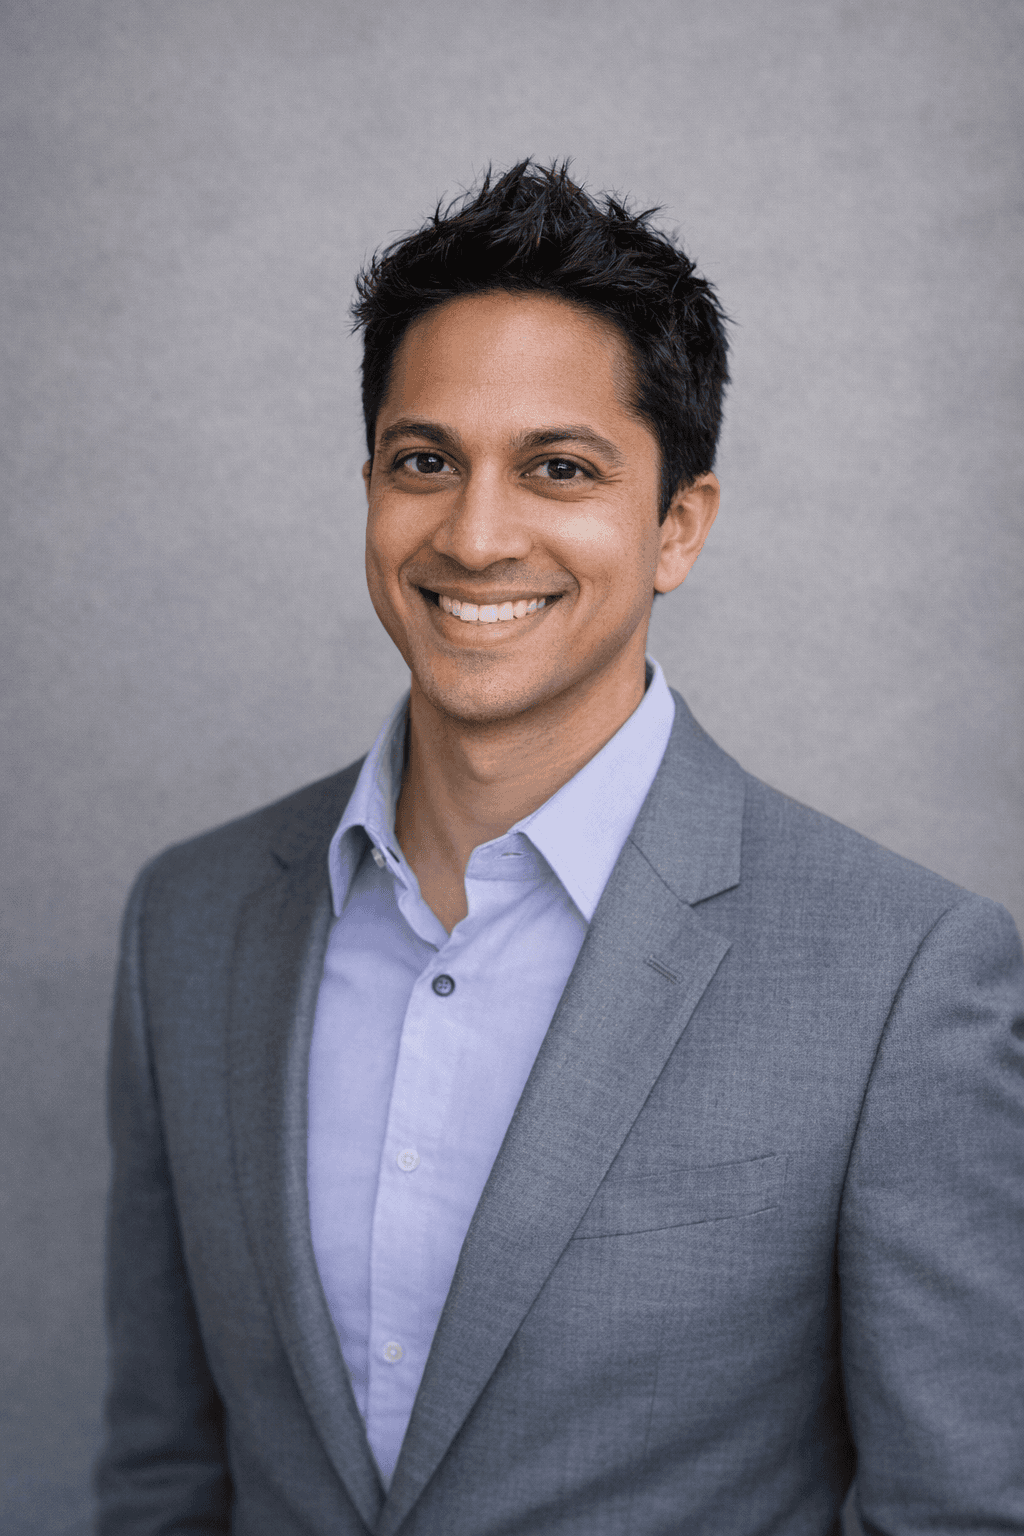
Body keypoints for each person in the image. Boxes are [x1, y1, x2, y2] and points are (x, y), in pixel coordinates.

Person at [95, 162, 1024, 1536]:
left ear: (677, 527)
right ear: (369, 489)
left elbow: (960, 1512)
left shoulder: (904, 979)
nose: (475, 535)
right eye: (426, 462)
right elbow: (165, 1473)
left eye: (560, 469)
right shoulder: (190, 919)